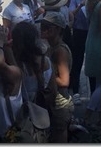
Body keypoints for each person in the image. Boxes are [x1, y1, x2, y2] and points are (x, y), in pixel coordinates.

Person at [35, 13, 73, 142]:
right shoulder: (51, 47)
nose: (42, 29)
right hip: (52, 101)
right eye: (42, 26)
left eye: (47, 27)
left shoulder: (60, 51)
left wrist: (45, 74)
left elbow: (64, 81)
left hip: (59, 104)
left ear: (57, 30)